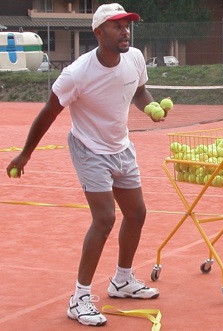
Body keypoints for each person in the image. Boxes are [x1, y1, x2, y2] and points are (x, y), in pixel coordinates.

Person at [6, 3, 166, 327]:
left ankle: (122, 280)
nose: (125, 31)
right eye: (116, 26)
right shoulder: (77, 73)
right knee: (105, 217)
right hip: (88, 147)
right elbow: (49, 111)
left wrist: (149, 107)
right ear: (98, 32)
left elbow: (138, 90)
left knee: (137, 213)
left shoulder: (134, 57)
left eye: (127, 25)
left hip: (121, 144)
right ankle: (79, 298)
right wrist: (25, 153)